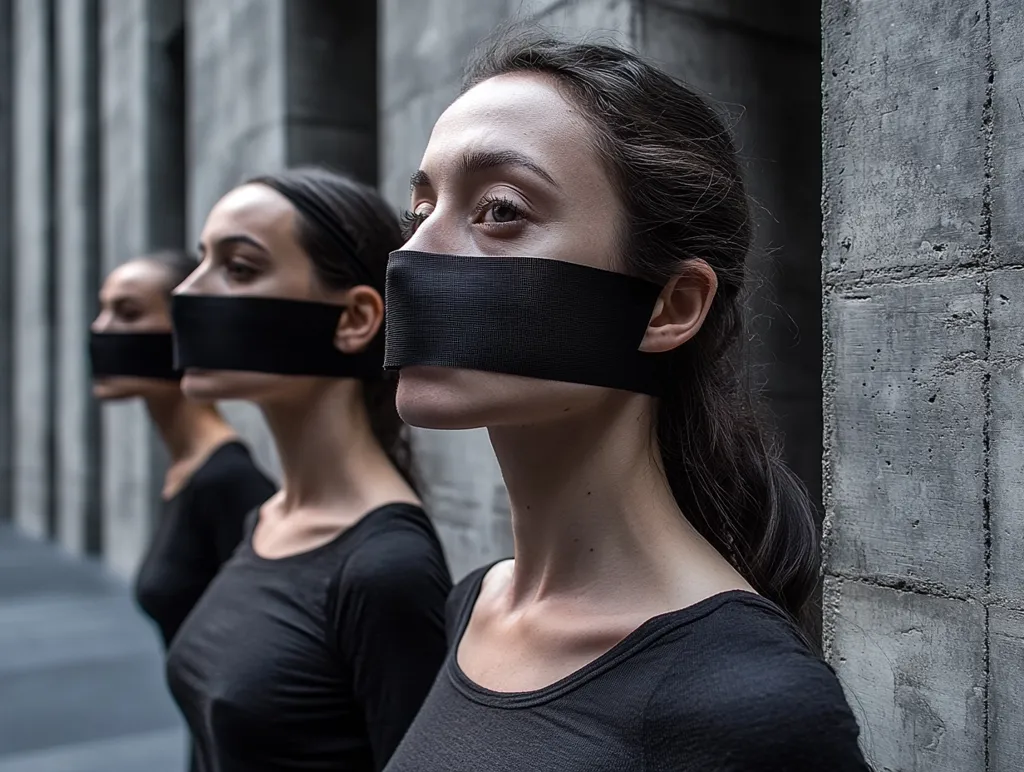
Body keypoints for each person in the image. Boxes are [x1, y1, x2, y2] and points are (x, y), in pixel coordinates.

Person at [380, 32, 870, 771]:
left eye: (500, 209)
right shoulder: (473, 605)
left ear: (669, 306)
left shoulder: (751, 705)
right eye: (420, 211)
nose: (411, 255)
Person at [164, 167, 452, 772]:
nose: (187, 292)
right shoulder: (266, 517)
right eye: (200, 260)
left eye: (238, 268)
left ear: (354, 319)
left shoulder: (387, 570)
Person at [90, 250, 277, 650]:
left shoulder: (229, 481)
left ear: (185, 329)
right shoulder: (187, 468)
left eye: (128, 312)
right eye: (102, 310)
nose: (100, 329)